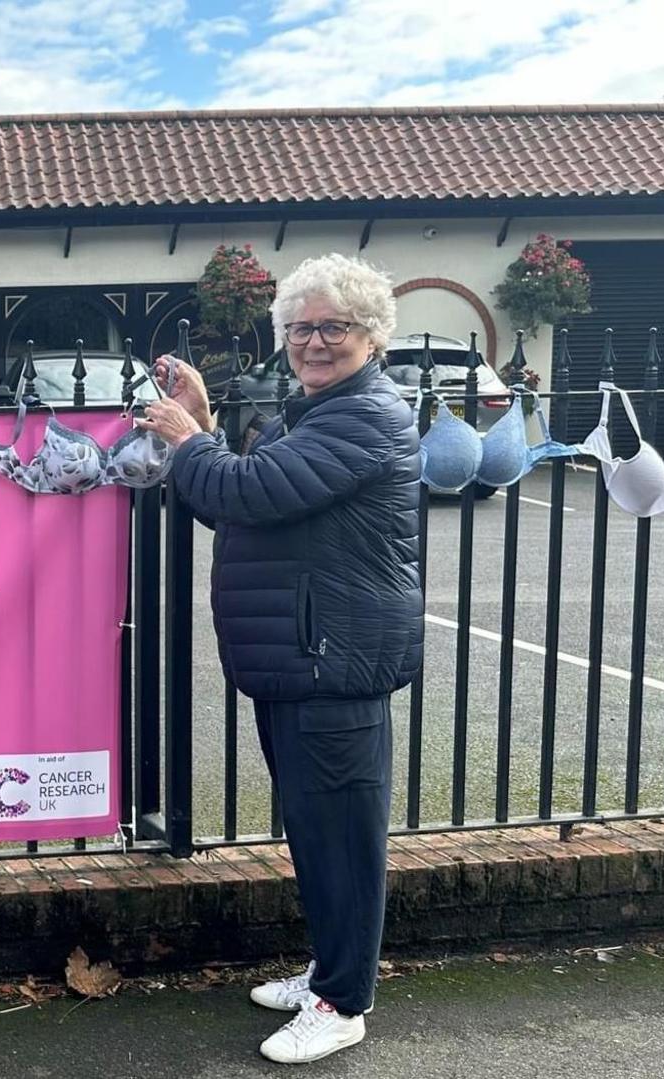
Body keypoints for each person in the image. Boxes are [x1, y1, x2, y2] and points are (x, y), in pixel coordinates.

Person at [133, 253, 421, 1065]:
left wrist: (192, 439)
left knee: (341, 835)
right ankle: (332, 969)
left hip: (335, 657)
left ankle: (344, 1001)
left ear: (372, 335)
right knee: (315, 825)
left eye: (333, 327)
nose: (313, 342)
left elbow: (249, 492)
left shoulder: (365, 417)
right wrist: (209, 429)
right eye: (300, 327)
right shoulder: (321, 410)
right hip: (304, 655)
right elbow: (255, 500)